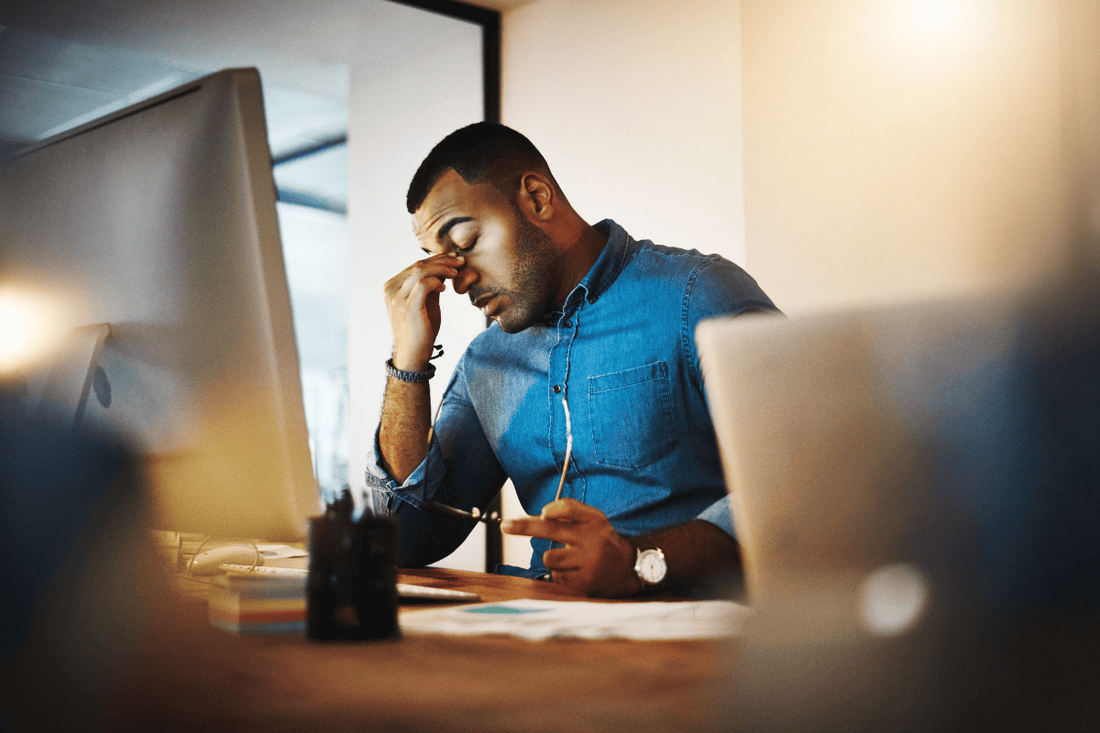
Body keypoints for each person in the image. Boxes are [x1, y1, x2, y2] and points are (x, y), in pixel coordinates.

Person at [365, 122, 779, 597]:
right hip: (541, 632)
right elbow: (406, 540)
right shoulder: (487, 361)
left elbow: (802, 484)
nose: (458, 281)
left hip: (686, 635)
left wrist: (638, 561)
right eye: (440, 260)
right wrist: (408, 361)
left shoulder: (697, 296)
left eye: (465, 243)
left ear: (537, 199)